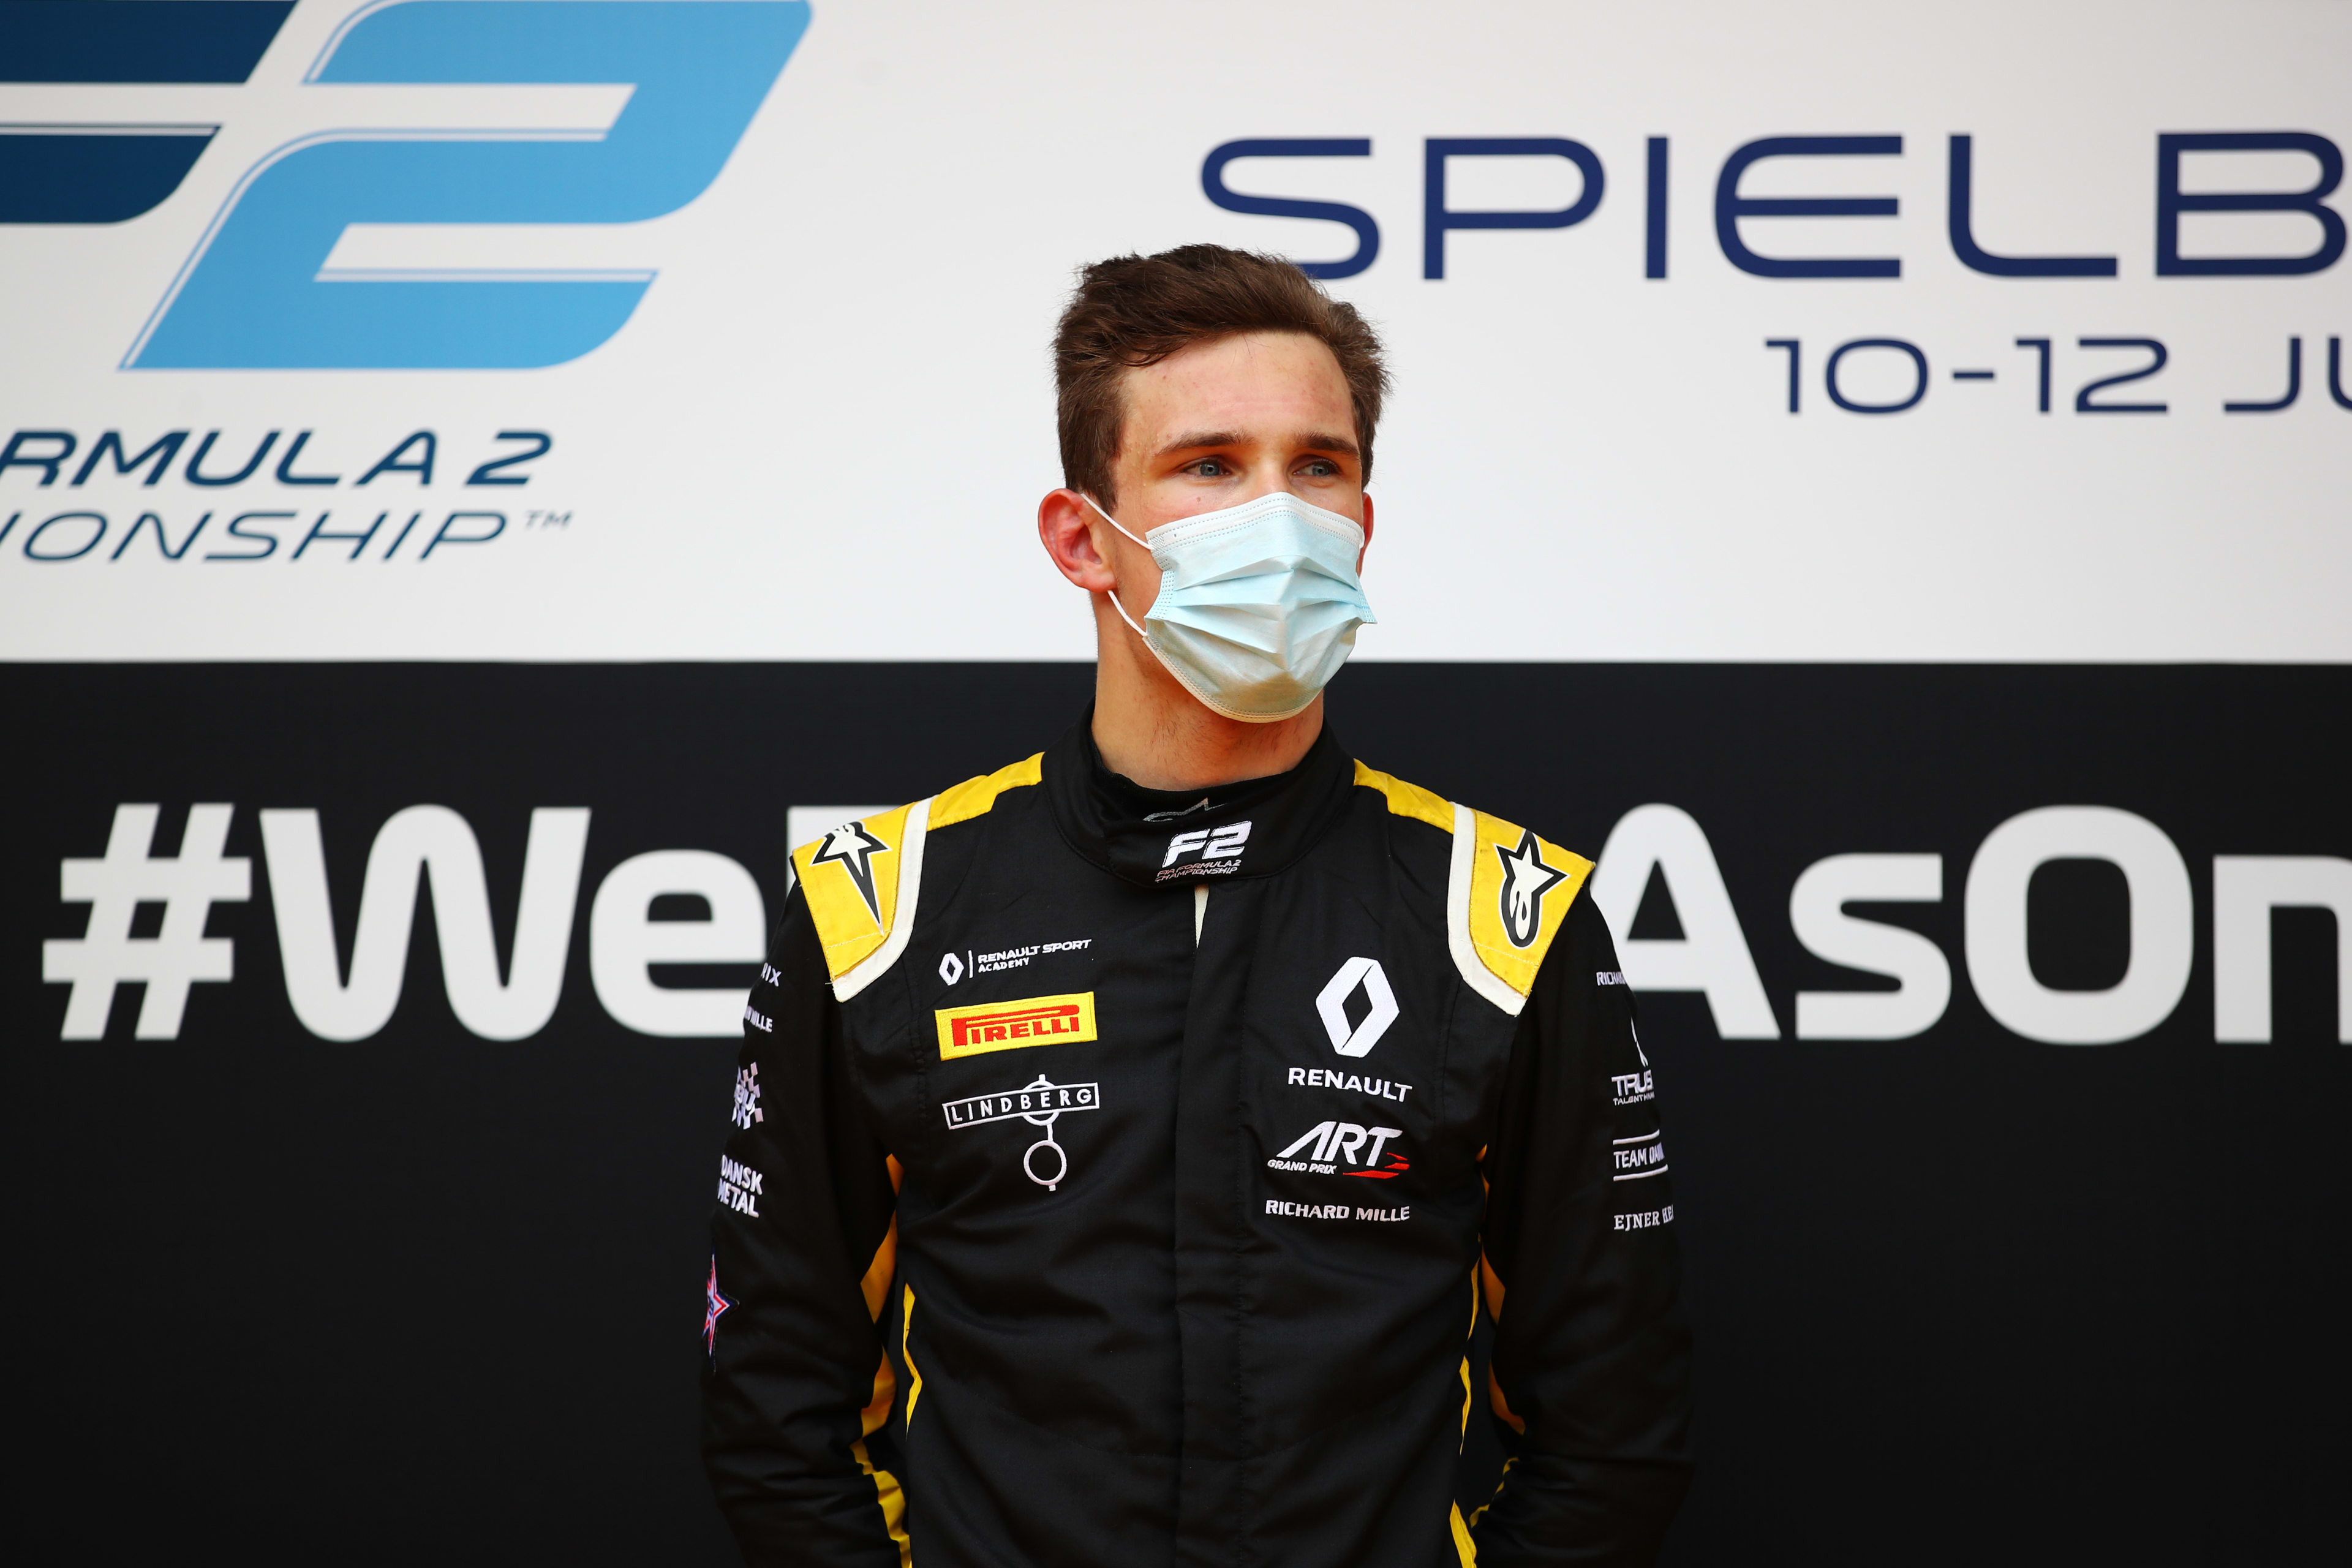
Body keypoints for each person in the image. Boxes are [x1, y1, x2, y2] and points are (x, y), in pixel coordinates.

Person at [703, 244, 1692, 1567]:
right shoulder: (879, 907)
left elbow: (1612, 1431)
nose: (1278, 515)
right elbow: (775, 1408)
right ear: (1082, 540)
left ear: (1364, 521)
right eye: (1211, 465)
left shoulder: (1505, 915)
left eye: (1319, 466)